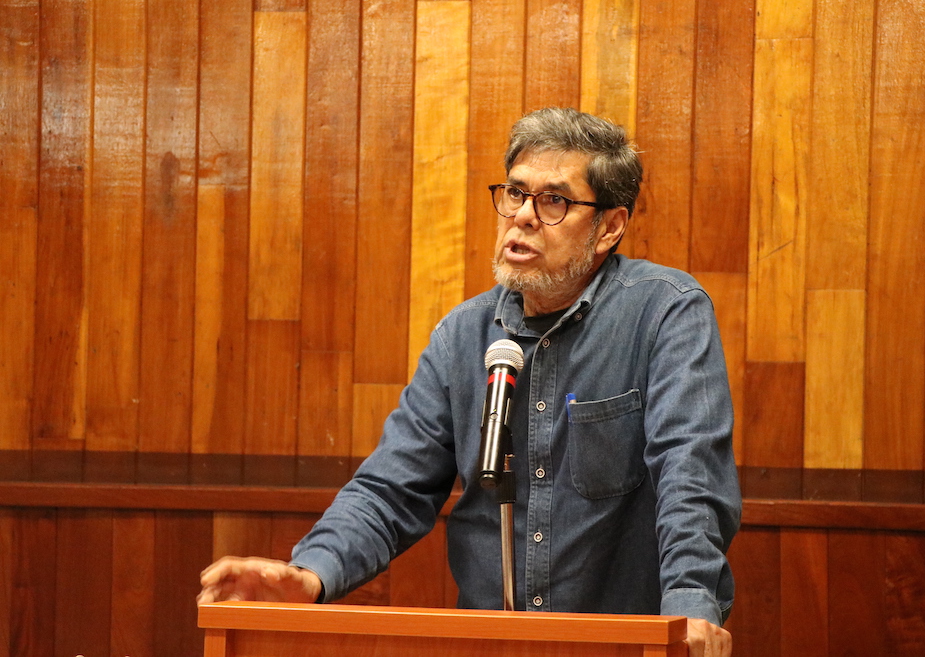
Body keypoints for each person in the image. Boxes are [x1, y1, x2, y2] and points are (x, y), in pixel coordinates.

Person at [198, 108, 741, 657]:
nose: (523, 216)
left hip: (626, 645)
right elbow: (391, 488)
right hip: (490, 645)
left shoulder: (664, 313)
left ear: (609, 227)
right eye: (516, 193)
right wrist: (311, 574)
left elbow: (689, 469)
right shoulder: (462, 337)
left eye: (554, 201)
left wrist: (690, 604)